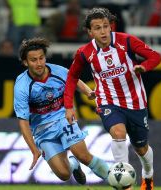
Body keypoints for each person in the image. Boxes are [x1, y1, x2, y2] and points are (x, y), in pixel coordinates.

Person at [64, 8, 161, 190]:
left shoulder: (127, 41)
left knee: (141, 148)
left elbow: (155, 57)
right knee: (118, 133)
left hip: (135, 102)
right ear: (90, 32)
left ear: (111, 27)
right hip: (108, 101)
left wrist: (144, 67)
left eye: (105, 26)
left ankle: (148, 176)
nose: (103, 31)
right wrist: (68, 106)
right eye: (98, 28)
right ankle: (124, 185)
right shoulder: (85, 53)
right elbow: (71, 78)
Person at [13, 37, 109, 185]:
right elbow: (23, 121)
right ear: (25, 62)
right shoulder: (22, 86)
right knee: (64, 174)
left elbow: (74, 80)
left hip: (63, 119)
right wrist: (33, 149)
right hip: (42, 131)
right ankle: (73, 164)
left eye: (41, 58)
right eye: (33, 60)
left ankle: (117, 182)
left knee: (83, 155)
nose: (39, 63)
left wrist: (89, 92)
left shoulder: (58, 71)